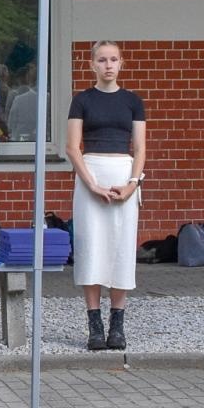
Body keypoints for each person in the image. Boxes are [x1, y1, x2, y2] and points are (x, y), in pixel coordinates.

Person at [66, 41, 147, 351]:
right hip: (92, 174)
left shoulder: (132, 101)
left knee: (121, 247)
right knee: (91, 247)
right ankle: (94, 323)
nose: (108, 65)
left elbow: (140, 148)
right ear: (92, 65)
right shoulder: (82, 100)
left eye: (113, 59)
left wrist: (132, 184)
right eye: (102, 60)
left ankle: (118, 323)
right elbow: (73, 147)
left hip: (124, 175)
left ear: (121, 63)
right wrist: (92, 184)